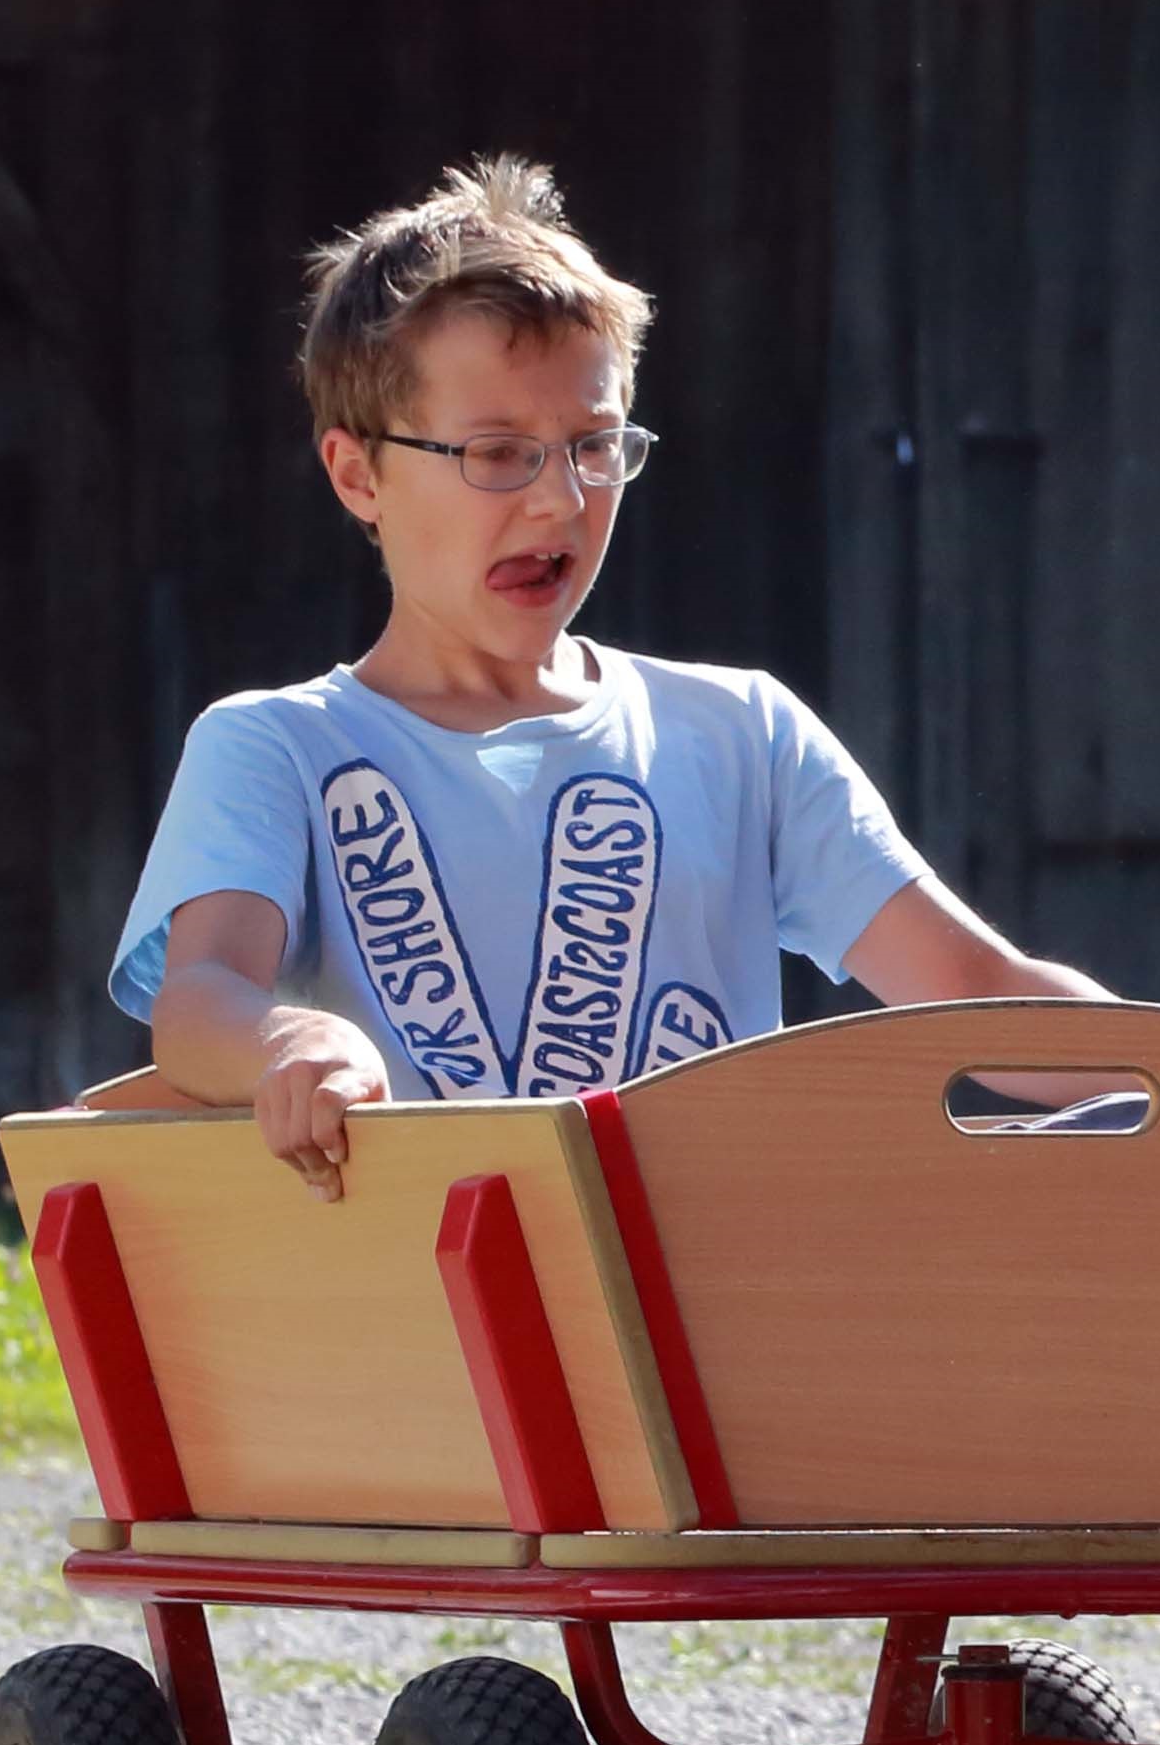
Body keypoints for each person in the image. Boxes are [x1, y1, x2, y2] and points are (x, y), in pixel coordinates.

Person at [119, 157, 1098, 1189]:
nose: (559, 502)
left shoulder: (742, 734)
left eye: (592, 446)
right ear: (358, 474)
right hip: (431, 1315)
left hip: (713, 1323)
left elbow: (973, 985)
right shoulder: (274, 744)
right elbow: (201, 995)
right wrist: (289, 1045)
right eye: (496, 453)